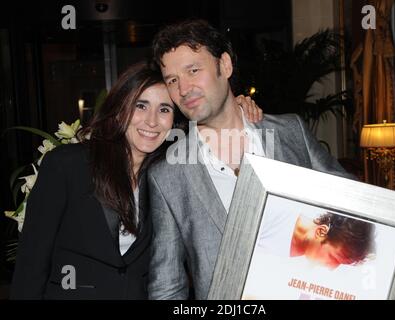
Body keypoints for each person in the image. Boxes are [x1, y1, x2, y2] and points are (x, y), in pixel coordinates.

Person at [146, 19, 395, 300]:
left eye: (193, 70)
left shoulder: (291, 132)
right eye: (172, 79)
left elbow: (357, 208)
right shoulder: (168, 176)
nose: (183, 89)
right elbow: (167, 286)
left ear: (225, 64)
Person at [10, 60, 261, 299]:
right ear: (120, 108)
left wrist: (237, 107)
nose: (152, 121)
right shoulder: (67, 164)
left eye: (164, 109)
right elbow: (31, 264)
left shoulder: (168, 177)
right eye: (141, 106)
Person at [289, 212, 375, 270]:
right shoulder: (282, 216)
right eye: (333, 257)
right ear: (321, 232)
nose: (332, 268)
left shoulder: (297, 250)